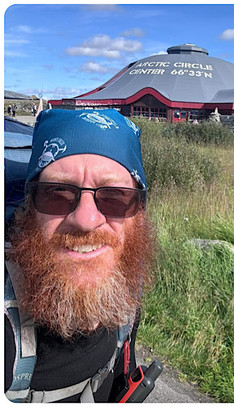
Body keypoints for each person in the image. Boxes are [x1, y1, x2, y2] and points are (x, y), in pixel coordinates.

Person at [5, 109, 156, 402]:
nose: (85, 220)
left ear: (139, 211)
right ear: (29, 210)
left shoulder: (126, 292)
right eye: (57, 193)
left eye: (115, 197)